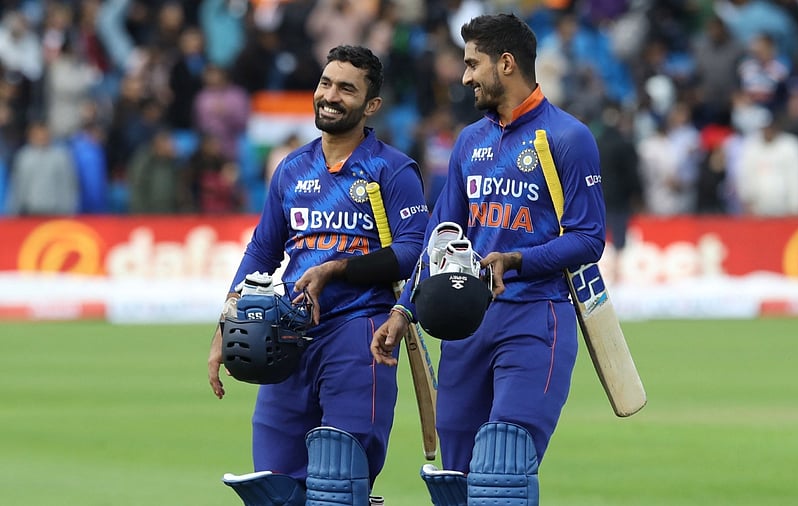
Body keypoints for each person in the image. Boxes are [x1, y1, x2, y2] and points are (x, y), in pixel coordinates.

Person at [370, 14, 606, 505]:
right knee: (454, 481)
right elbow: (439, 238)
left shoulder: (567, 137)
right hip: (464, 323)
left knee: (503, 470)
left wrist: (515, 260)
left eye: (472, 63)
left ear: (506, 62)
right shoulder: (469, 141)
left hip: (536, 320)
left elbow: (588, 238)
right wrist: (404, 309)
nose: (465, 76)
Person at [207, 45, 427, 506]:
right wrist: (226, 323)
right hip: (287, 339)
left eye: (347, 88)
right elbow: (263, 251)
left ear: (371, 106)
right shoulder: (291, 168)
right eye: (326, 83)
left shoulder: (392, 169)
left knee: (338, 486)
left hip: (360, 333)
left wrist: (336, 268)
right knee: (273, 487)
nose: (330, 95)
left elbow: (414, 251)